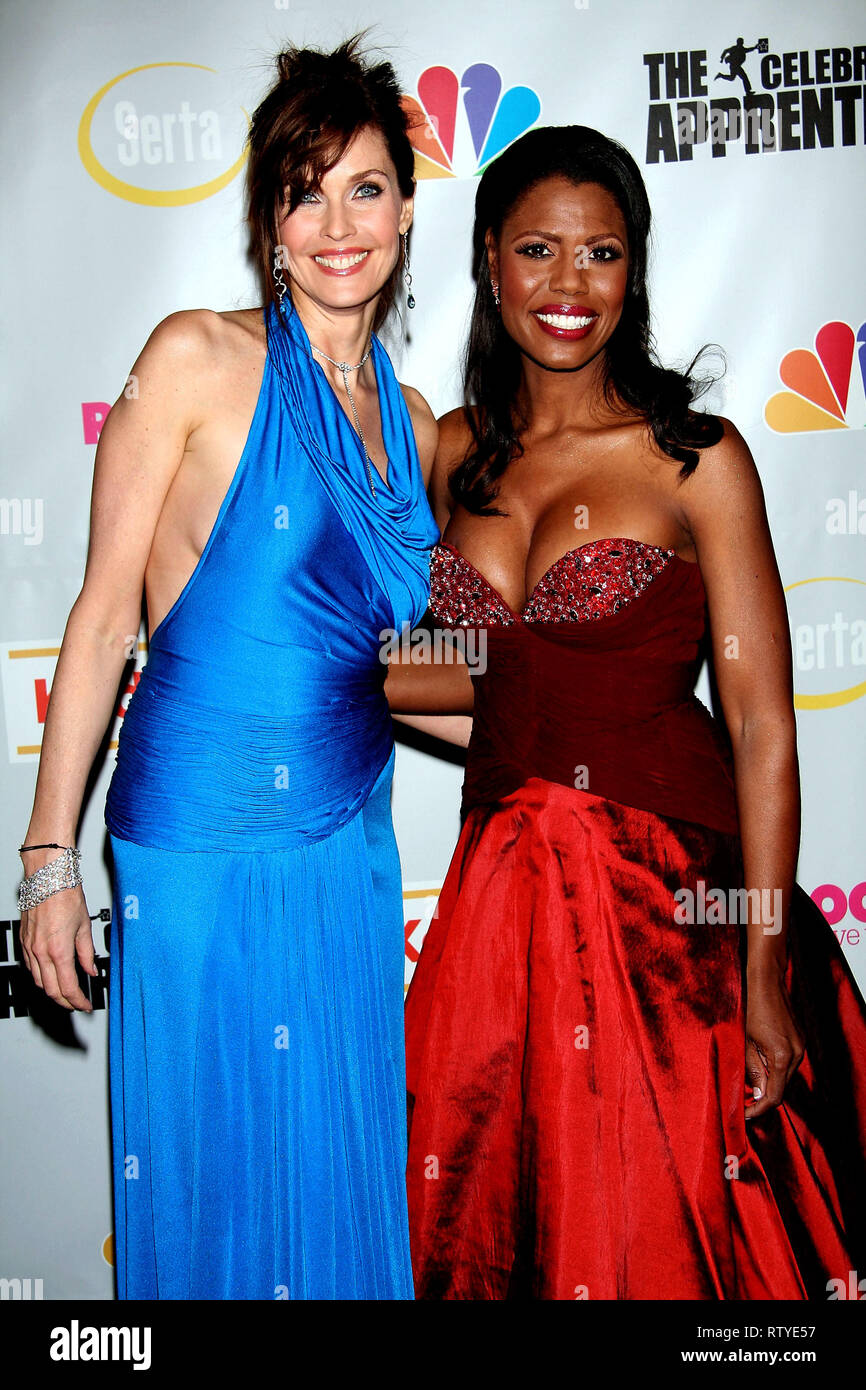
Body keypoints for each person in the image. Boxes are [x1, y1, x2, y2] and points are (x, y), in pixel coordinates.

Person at [392, 125, 866, 1300]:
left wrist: (761, 969)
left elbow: (759, 724)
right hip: (499, 913)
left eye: (599, 253)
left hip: (672, 912)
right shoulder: (449, 457)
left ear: (633, 270)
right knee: (503, 1233)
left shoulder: (691, 459)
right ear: (487, 261)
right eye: (538, 250)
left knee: (665, 1244)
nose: (568, 286)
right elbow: (429, 669)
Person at [17, 37, 439, 1300]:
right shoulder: (196, 358)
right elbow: (100, 622)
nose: (335, 224)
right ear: (267, 220)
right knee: (212, 1185)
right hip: (196, 837)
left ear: (406, 209)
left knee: (338, 1164)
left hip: (348, 844)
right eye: (303, 192)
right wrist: (46, 861)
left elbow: (414, 668)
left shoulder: (417, 427)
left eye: (363, 187)